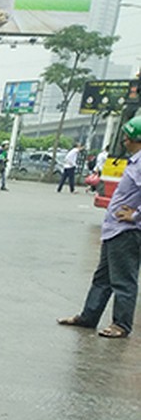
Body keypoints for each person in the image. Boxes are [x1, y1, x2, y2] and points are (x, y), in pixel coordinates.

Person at [58, 118, 141, 339]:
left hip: (127, 231)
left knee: (123, 279)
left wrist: (135, 215)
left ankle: (121, 324)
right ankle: (88, 316)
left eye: (126, 136)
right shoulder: (134, 161)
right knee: (102, 277)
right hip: (114, 229)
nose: (123, 140)